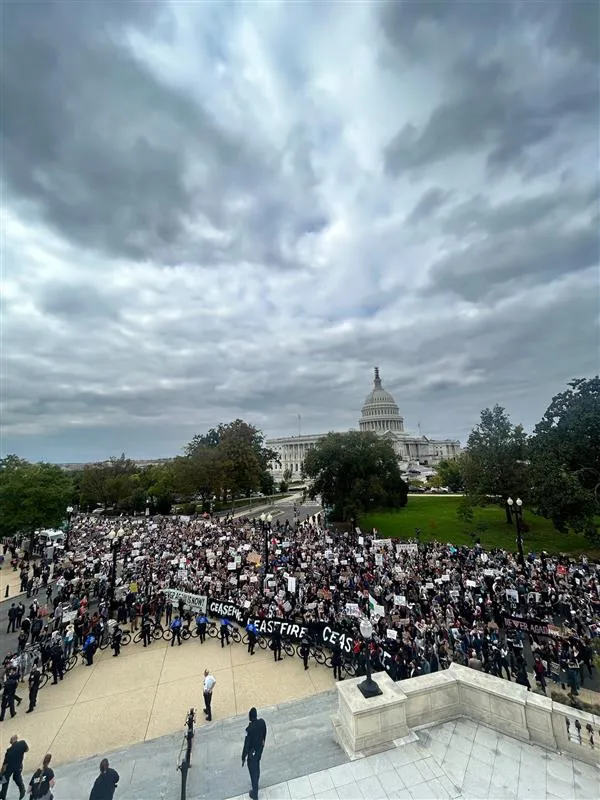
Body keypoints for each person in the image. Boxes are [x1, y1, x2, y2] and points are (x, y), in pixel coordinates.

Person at [241, 707, 267, 800]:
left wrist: (243, 757)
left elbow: (246, 744)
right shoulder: (262, 722)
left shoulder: (249, 729)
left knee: (253, 772)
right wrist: (262, 744)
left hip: (252, 754)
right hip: (259, 750)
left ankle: (254, 793)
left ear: (250, 717)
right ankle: (256, 784)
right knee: (257, 766)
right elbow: (264, 734)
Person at [0, 734, 28, 800]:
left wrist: (1, 773)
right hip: (19, 766)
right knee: (17, 777)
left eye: (10, 739)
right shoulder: (23, 743)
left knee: (5, 780)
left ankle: (3, 795)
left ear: (12, 740)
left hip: (9, 768)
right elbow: (27, 750)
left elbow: (5, 765)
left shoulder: (9, 750)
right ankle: (22, 789)